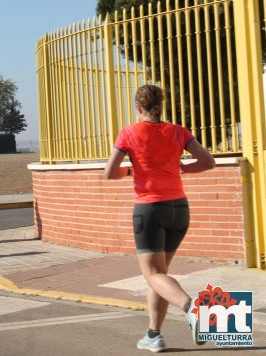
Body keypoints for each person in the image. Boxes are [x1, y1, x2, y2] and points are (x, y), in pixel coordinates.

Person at [104, 84, 215, 353]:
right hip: (179, 208)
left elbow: (109, 172)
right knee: (159, 275)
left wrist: (132, 172)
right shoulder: (178, 132)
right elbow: (208, 162)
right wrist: (184, 169)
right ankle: (154, 335)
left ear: (139, 107)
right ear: (160, 106)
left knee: (153, 274)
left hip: (150, 209)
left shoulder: (129, 132)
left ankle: (193, 309)